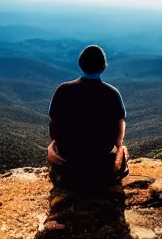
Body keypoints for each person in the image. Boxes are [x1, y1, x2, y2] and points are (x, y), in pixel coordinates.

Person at [47, 45, 129, 189]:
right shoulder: (112, 94)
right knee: (123, 151)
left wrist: (58, 143)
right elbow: (119, 129)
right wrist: (117, 146)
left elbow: (53, 126)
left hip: (68, 157)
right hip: (101, 158)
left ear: (80, 64)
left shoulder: (63, 90)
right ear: (103, 67)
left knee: (51, 149)